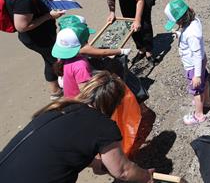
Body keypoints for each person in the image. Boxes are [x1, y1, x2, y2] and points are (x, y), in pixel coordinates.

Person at [0, 71, 154, 183]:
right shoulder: (102, 126)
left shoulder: (57, 108)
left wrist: (94, 163)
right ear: (115, 103)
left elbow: (62, 145)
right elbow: (123, 171)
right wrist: (145, 176)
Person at [1, 0, 65, 99]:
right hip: (37, 39)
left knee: (50, 61)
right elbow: (22, 27)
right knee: (56, 61)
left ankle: (55, 91)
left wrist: (47, 3)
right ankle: (63, 87)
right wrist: (49, 16)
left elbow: (35, 3)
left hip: (42, 34)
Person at [164, 0, 210, 126]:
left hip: (193, 65)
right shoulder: (195, 22)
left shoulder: (191, 34)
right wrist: (180, 35)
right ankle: (207, 101)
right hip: (201, 61)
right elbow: (197, 46)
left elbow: (195, 53)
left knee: (196, 90)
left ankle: (199, 115)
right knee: (205, 80)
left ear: (180, 20)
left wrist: (196, 75)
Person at [51, 23, 93, 98]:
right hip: (79, 101)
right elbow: (86, 91)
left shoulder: (64, 58)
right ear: (84, 42)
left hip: (69, 98)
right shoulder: (80, 65)